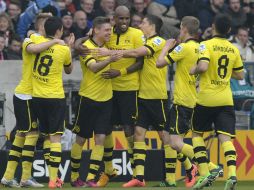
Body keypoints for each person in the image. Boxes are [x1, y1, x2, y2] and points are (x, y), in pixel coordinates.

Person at [71, 5, 144, 188]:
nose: (124, 22)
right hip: (101, 94)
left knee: (128, 129)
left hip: (126, 88)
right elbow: (85, 42)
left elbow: (140, 59)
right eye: (121, 19)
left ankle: (137, 174)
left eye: (127, 18)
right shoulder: (103, 38)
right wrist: (78, 44)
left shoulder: (135, 34)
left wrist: (119, 70)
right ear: (114, 20)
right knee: (104, 132)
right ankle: (106, 171)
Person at [1, 14, 64, 188]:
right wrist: (56, 41)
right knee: (31, 134)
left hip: (35, 96)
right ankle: (23, 177)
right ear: (40, 27)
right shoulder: (31, 40)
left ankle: (9, 177)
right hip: (25, 95)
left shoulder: (45, 43)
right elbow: (33, 49)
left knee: (22, 134)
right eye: (45, 24)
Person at [189, 14, 244, 190]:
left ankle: (205, 173)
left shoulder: (206, 45)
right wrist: (227, 73)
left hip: (206, 98)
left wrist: (194, 69)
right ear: (229, 30)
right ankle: (232, 175)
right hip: (226, 99)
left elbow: (203, 66)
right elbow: (240, 75)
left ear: (213, 27)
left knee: (197, 135)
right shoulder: (233, 49)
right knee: (225, 139)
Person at [70, 16, 122, 187]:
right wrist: (109, 59)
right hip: (88, 98)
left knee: (100, 137)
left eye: (110, 30)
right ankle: (74, 176)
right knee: (81, 139)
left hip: (106, 100)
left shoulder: (107, 44)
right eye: (106, 30)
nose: (110, 32)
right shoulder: (87, 48)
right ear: (96, 30)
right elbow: (93, 68)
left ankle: (92, 177)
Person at [31, 16, 73, 188]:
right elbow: (69, 70)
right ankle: (52, 180)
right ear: (59, 31)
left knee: (47, 136)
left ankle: (51, 176)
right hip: (55, 98)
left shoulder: (38, 42)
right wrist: (68, 47)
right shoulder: (63, 50)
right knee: (55, 139)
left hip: (37, 97)